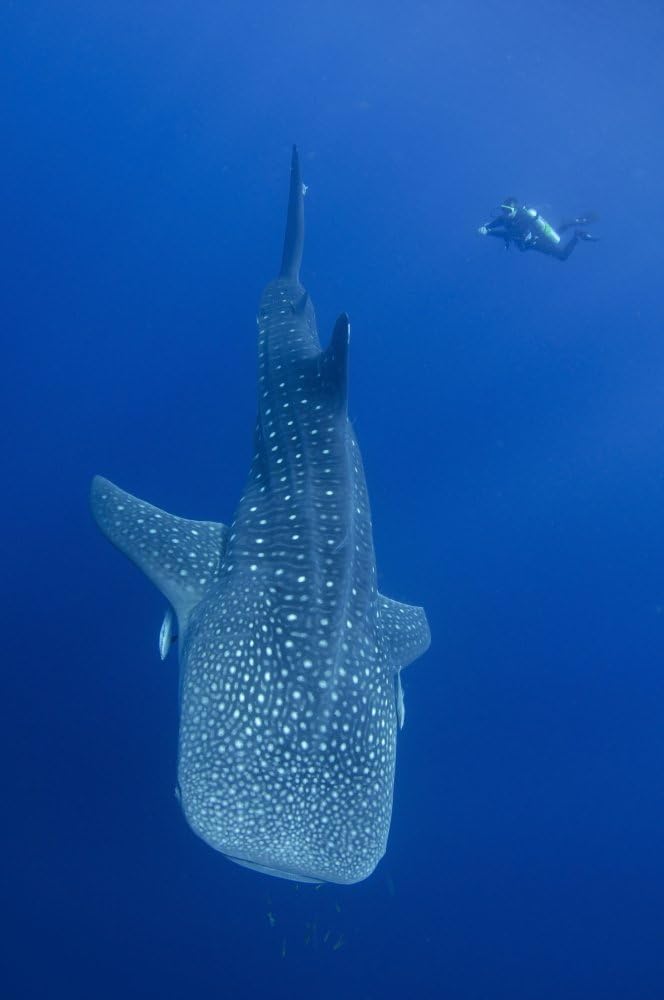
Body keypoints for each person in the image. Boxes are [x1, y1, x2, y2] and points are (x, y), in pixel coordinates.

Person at [478, 197, 598, 261]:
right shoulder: (505, 217)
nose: (505, 213)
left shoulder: (524, 218)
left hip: (536, 240)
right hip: (531, 240)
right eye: (504, 209)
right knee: (554, 235)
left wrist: (488, 232)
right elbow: (498, 221)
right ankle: (568, 224)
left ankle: (576, 235)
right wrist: (487, 227)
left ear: (515, 210)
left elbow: (509, 234)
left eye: (508, 211)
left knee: (562, 256)